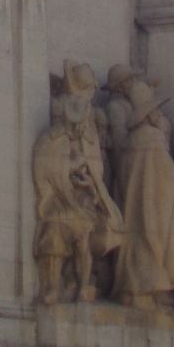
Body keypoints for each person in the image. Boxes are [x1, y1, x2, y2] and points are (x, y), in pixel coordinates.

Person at [32, 61, 124, 304]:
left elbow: (94, 166)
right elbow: (46, 166)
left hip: (82, 201)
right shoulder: (52, 138)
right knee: (53, 239)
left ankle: (83, 286)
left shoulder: (88, 132)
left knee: (83, 240)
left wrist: (88, 182)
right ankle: (52, 287)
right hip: (58, 202)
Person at [112, 74, 174, 309]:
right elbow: (166, 175)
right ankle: (147, 288)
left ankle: (136, 287)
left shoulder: (132, 140)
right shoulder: (152, 138)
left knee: (137, 236)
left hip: (134, 203)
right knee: (152, 237)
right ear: (148, 113)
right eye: (155, 110)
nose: (159, 115)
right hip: (153, 204)